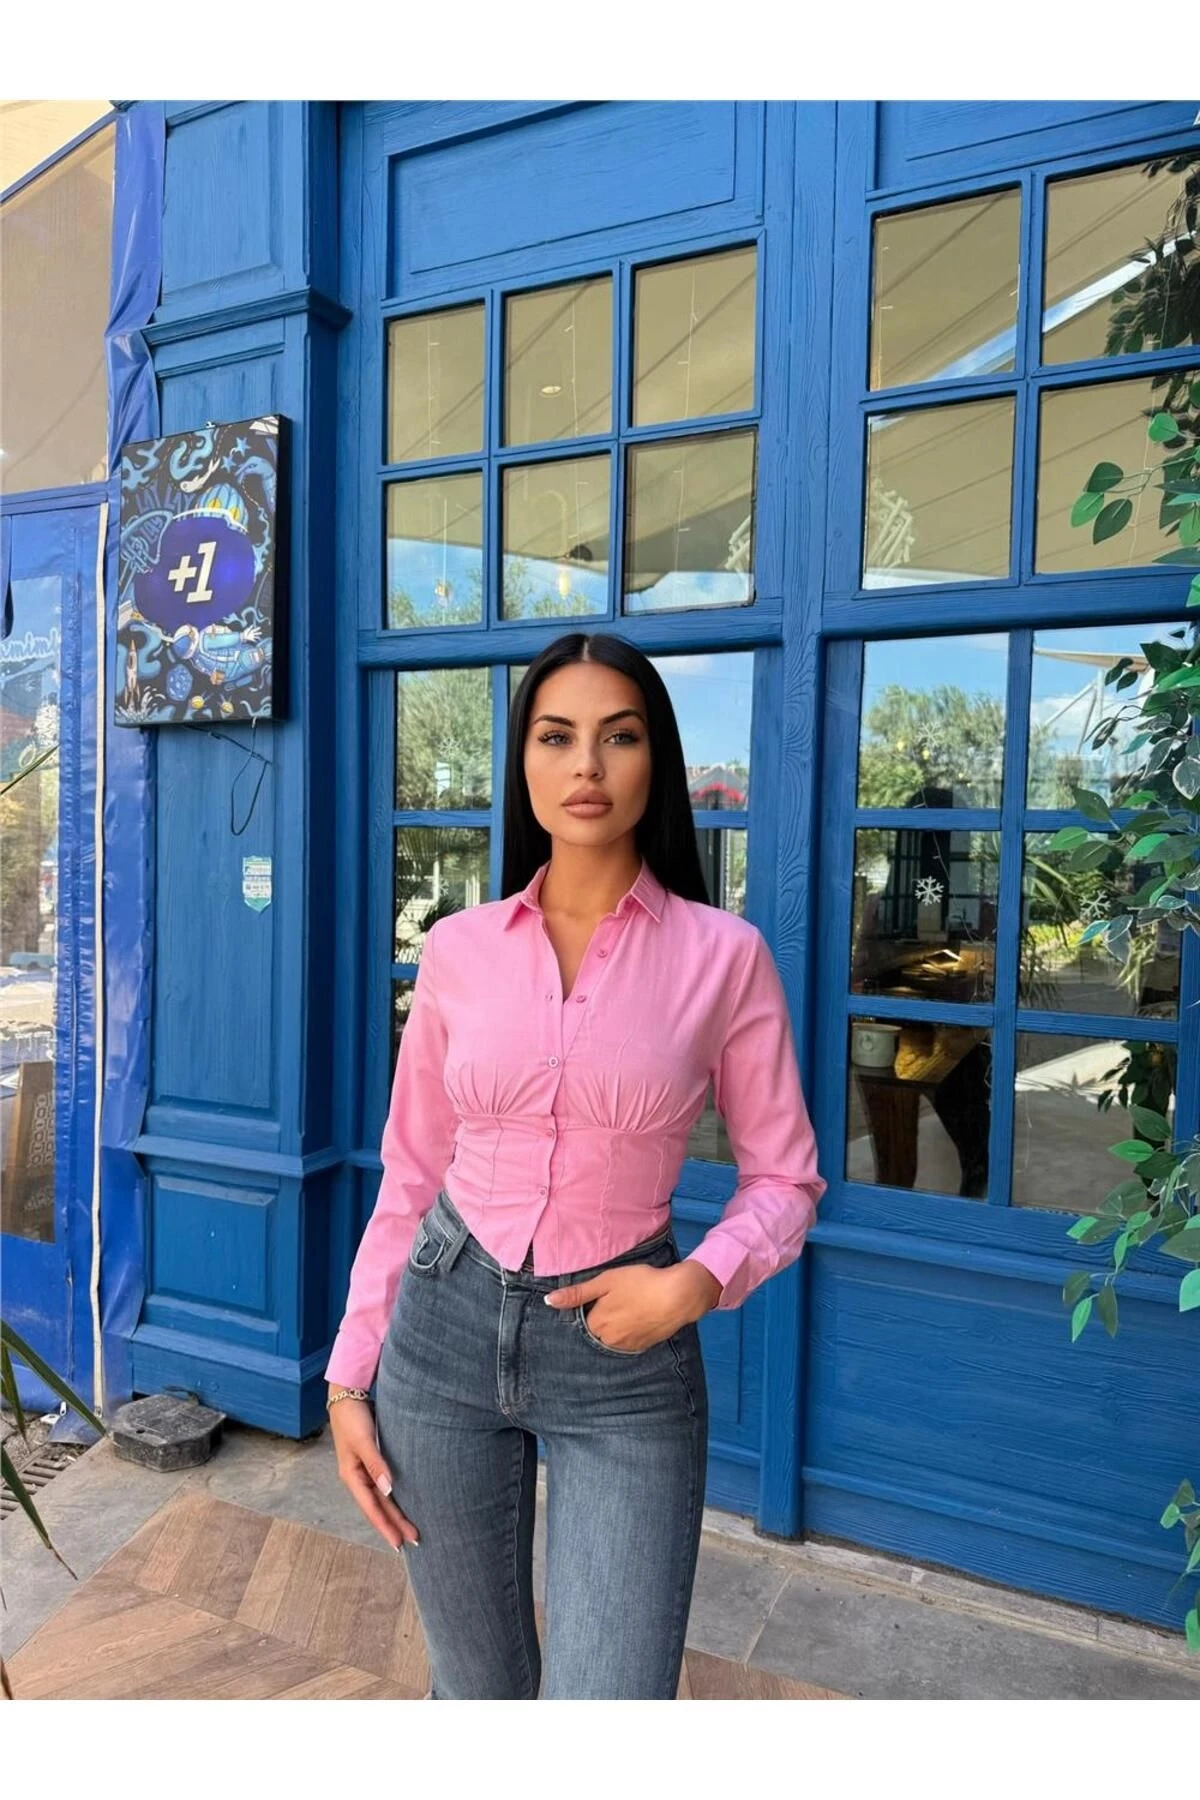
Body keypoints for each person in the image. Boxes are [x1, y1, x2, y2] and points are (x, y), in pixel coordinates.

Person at [324, 631, 825, 1700]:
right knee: (477, 1694)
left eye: (619, 737)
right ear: (523, 761)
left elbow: (785, 1179)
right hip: (440, 1335)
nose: (586, 766)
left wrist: (695, 1284)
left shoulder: (723, 957)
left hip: (624, 1358)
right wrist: (349, 1375)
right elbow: (410, 1173)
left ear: (657, 761)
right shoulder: (459, 949)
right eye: (556, 737)